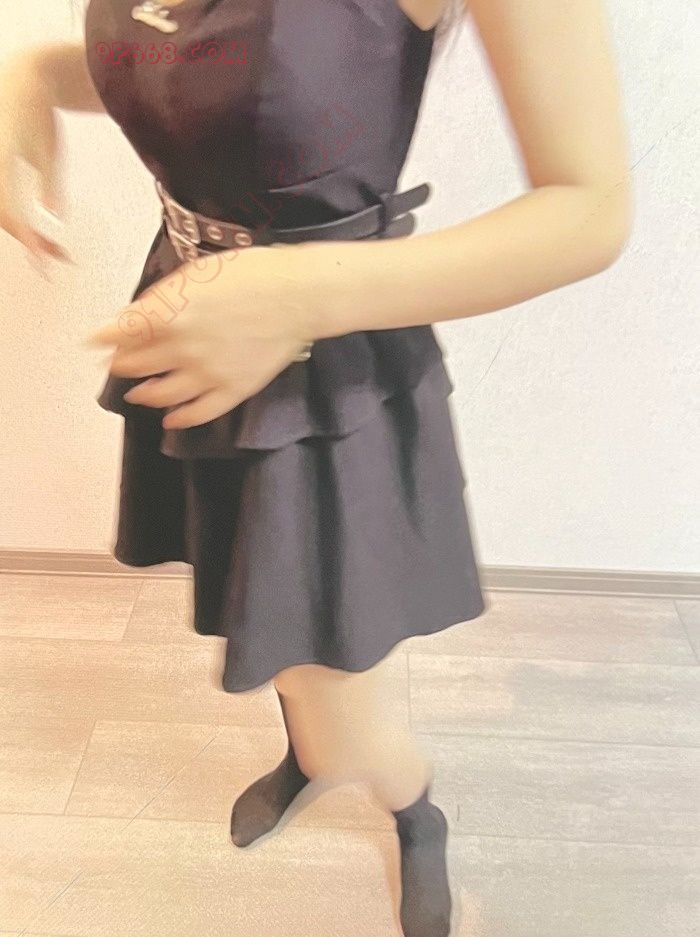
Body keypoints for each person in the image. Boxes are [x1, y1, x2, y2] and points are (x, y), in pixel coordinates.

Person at [0, 1, 631, 934]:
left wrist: (295, 294)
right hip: (199, 335)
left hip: (325, 370)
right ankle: (306, 751)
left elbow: (590, 208)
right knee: (262, 610)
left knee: (343, 701)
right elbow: (186, 65)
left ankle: (412, 802)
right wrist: (32, 78)